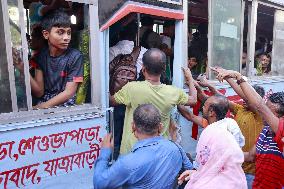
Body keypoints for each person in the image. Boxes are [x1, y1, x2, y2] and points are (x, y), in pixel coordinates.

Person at [110, 48, 197, 155]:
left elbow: (111, 101)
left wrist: (114, 78)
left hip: (131, 152)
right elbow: (193, 100)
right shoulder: (173, 92)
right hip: (158, 153)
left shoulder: (131, 88)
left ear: (143, 68)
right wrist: (190, 79)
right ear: (164, 68)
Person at [213, 68, 284, 189]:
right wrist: (224, 154)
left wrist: (238, 77)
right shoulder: (265, 132)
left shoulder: (282, 131)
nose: (264, 115)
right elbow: (250, 156)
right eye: (267, 110)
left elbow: (260, 106)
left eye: (270, 114)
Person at [93, 104, 193, 189]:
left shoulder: (128, 162)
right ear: (160, 127)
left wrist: (104, 153)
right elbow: (191, 172)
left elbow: (99, 184)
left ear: (133, 127)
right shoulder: (176, 148)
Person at [178, 95, 247, 189]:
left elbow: (202, 161)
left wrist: (197, 173)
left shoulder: (211, 132)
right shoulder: (230, 124)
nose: (202, 107)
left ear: (211, 112)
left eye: (205, 105)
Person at [31, 10, 83, 109]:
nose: (66, 37)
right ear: (46, 34)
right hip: (45, 100)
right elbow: (39, 92)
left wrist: (40, 107)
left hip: (65, 103)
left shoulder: (75, 56)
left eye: (69, 33)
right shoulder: (41, 56)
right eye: (60, 32)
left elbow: (69, 93)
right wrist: (22, 68)